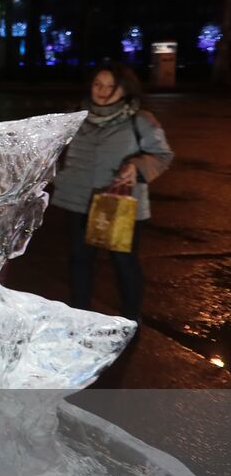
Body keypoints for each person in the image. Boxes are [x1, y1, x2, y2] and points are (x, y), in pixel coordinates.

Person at [51, 63, 173, 321]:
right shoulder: (75, 116)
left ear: (124, 90)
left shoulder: (140, 120)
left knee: (123, 262)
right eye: (98, 85)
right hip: (78, 200)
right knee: (79, 260)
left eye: (111, 86)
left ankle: (130, 319)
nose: (103, 92)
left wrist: (137, 166)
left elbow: (162, 155)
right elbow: (54, 151)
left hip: (121, 203)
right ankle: (80, 316)